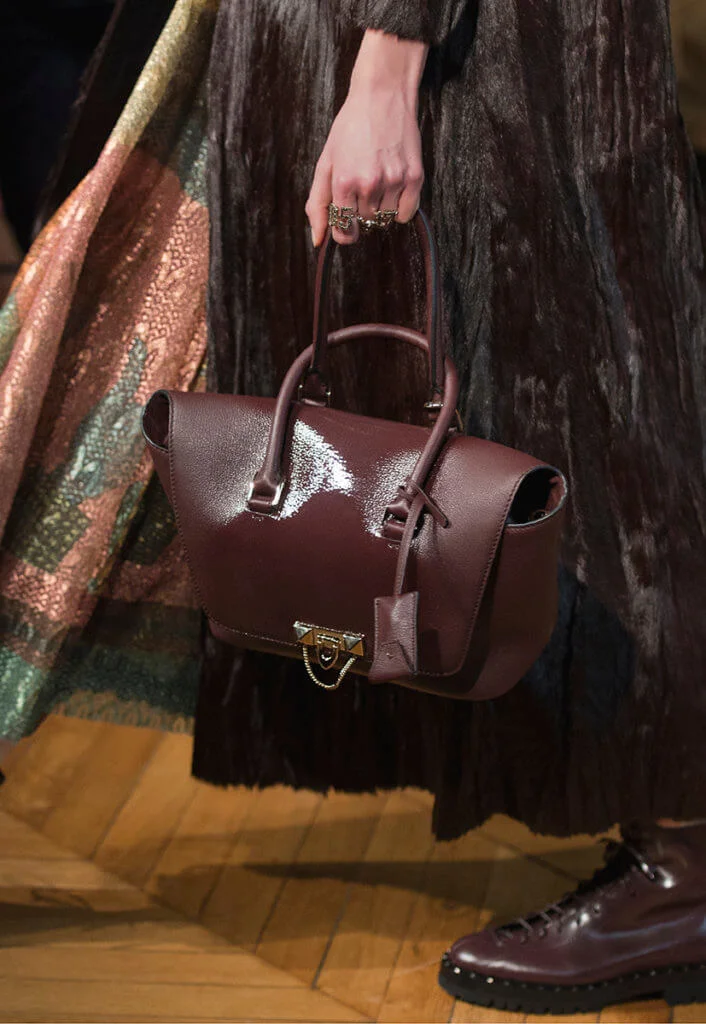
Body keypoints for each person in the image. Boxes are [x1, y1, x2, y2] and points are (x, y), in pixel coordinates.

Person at [2, 0, 706, 1015]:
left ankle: (685, 863)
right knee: (116, 369)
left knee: (587, 430)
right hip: (308, 39)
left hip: (451, 47)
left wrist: (388, 61)